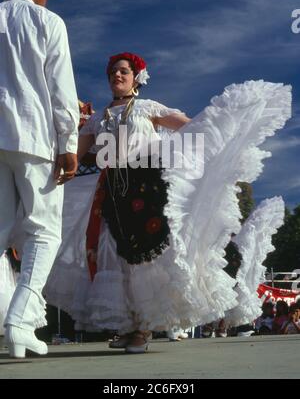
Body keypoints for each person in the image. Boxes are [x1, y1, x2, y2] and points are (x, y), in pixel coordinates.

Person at [45, 52, 292, 353]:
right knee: (113, 256)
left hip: (145, 189)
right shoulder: (98, 119)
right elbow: (73, 153)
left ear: (136, 77)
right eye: (112, 73)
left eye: (123, 72)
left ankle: (144, 328)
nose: (116, 76)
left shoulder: (148, 108)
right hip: (110, 192)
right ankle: (128, 325)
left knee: (144, 257)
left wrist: (212, 151)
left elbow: (191, 129)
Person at [0, 0, 79, 358]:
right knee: (44, 231)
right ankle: (19, 321)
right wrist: (68, 144)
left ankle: (10, 323)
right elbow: (61, 88)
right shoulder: (47, 22)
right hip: (32, 136)